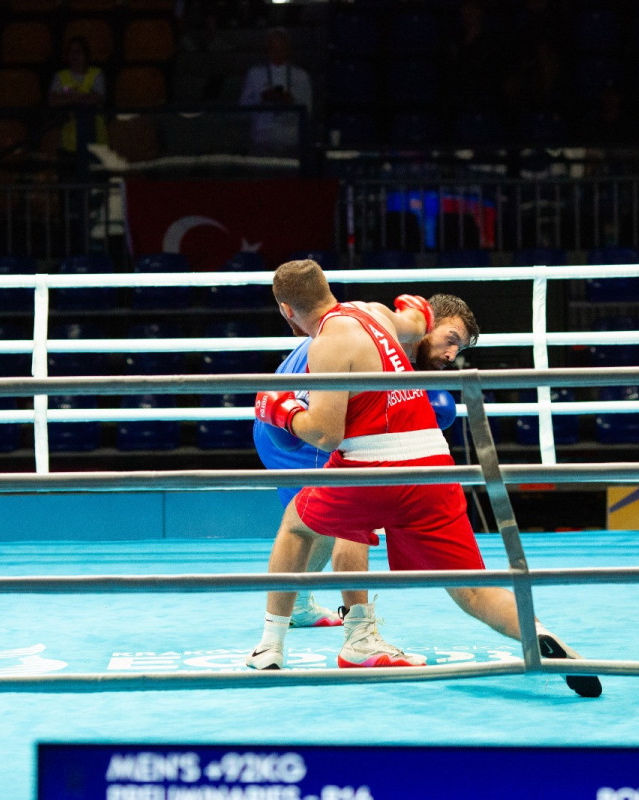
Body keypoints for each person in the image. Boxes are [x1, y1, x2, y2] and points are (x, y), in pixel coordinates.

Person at [248, 259, 601, 698]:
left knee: (298, 526)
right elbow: (415, 321)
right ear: (329, 289)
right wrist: (419, 311)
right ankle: (546, 639)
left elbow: (326, 431)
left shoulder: (328, 341)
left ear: (287, 311)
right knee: (473, 588)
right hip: (433, 463)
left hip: (371, 465)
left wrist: (279, 411)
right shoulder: (374, 312)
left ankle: (270, 647)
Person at [253, 294, 478, 627]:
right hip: (296, 427)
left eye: (459, 348)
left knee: (316, 524)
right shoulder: (383, 342)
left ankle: (297, 604)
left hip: (291, 421)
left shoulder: (379, 328)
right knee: (350, 517)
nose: (451, 354)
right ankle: (359, 628)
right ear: (428, 321)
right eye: (451, 339)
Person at [238, 27, 313, 157]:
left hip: (291, 143)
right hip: (262, 142)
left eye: (281, 48)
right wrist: (262, 99)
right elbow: (242, 107)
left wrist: (291, 101)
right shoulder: (255, 74)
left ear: (288, 49)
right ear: (268, 49)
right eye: (274, 48)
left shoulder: (301, 76)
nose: (278, 52)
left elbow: (308, 110)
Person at [48, 35, 108, 180]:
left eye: (78, 51)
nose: (74, 56)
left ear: (85, 54)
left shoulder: (96, 74)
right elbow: (52, 100)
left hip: (95, 143)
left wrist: (68, 97)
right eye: (71, 52)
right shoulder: (60, 77)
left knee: (95, 188)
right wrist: (80, 96)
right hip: (69, 145)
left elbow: (96, 97)